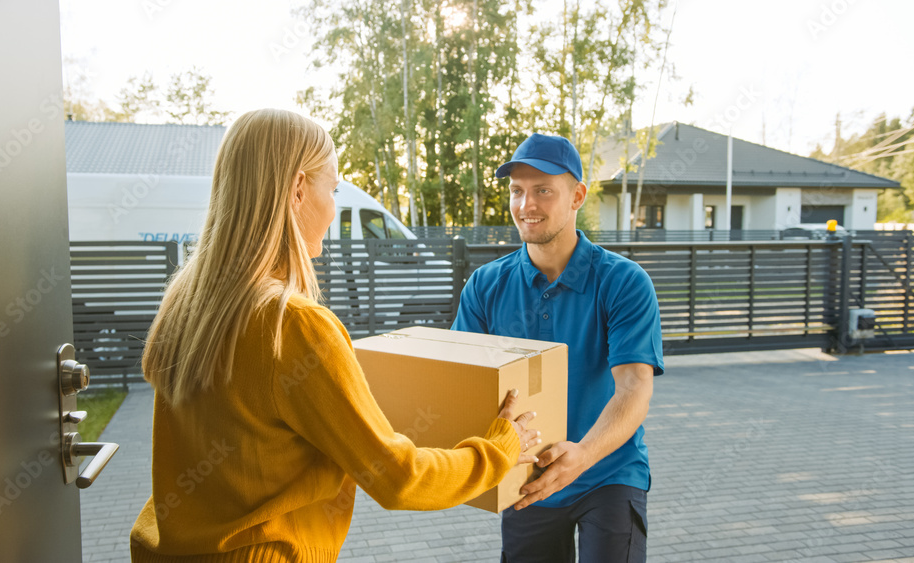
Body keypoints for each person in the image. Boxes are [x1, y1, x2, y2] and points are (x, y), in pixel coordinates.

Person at [129, 109, 541, 562]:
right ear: (298, 190)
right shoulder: (294, 326)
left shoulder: (186, 304)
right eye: (335, 188)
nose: (334, 207)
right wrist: (502, 447)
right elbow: (398, 478)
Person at [451, 133, 664, 562]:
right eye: (517, 191)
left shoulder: (623, 282)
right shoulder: (486, 285)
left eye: (543, 190)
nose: (526, 204)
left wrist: (583, 454)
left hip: (608, 471)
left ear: (577, 196)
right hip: (527, 476)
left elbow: (634, 387)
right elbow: (461, 380)